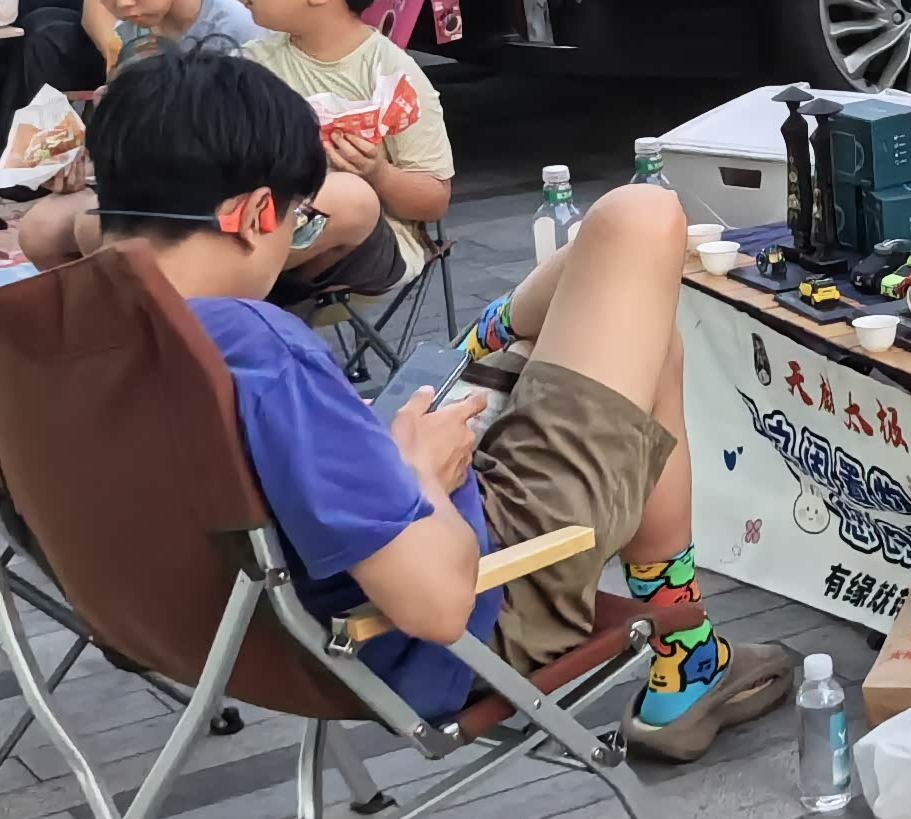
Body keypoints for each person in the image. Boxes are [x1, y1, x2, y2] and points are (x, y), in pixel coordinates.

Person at [87, 52, 791, 750]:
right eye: (300, 224)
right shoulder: (258, 351)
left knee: (638, 321)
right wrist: (421, 470)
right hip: (471, 616)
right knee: (643, 219)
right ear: (253, 215)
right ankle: (686, 658)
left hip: (250, 637)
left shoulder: (70, 329)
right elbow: (437, 607)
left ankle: (485, 343)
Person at [10, 0, 264, 266]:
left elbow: (249, 149)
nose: (122, 3)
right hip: (149, 188)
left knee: (97, 230)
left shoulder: (235, 34)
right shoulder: (132, 32)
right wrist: (80, 162)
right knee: (39, 229)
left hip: (221, 197)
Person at [238, 0, 451, 299]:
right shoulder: (248, 64)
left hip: (363, 246)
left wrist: (377, 174)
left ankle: (206, 280)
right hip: (260, 230)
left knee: (350, 198)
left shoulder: (391, 76)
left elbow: (434, 199)